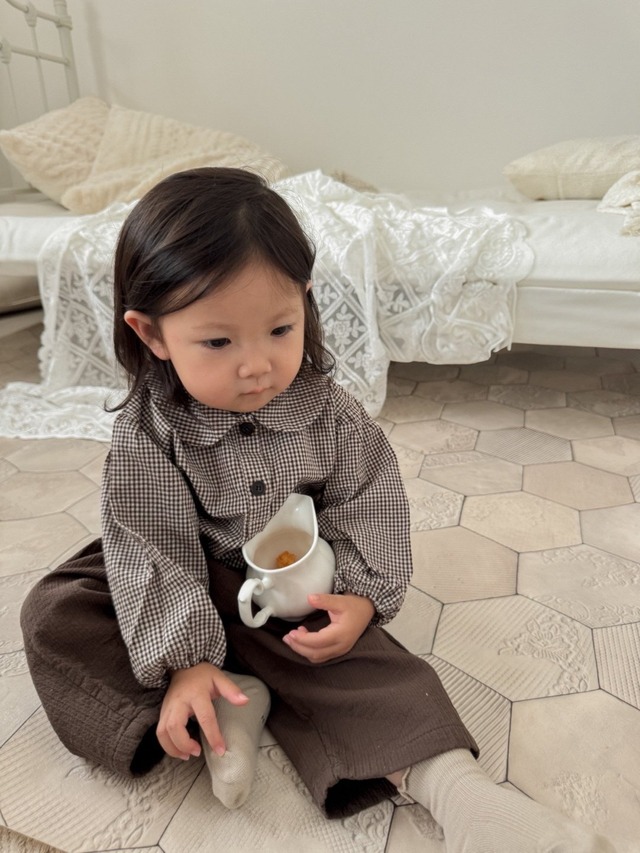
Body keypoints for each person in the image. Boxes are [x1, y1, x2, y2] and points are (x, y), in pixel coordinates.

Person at [21, 167, 613, 853]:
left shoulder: (329, 413)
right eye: (218, 342)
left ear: (305, 302)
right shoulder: (148, 429)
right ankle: (216, 696)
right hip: (172, 572)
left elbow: (369, 500)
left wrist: (361, 595)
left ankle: (460, 792)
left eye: (280, 328)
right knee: (55, 613)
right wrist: (183, 659)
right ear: (152, 335)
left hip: (284, 586)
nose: (257, 365)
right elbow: (147, 541)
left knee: (350, 653)